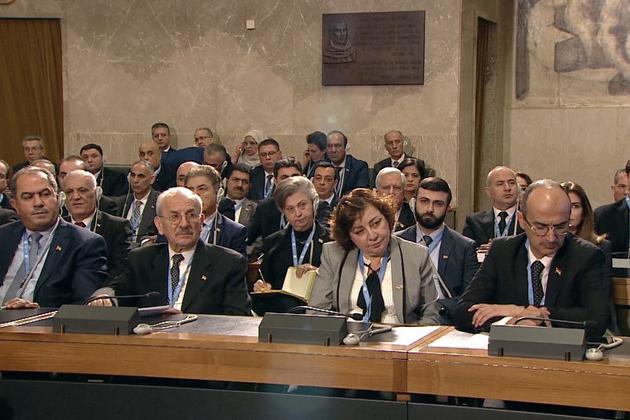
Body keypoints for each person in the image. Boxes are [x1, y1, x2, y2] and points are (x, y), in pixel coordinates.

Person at [454, 180, 610, 338]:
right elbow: (464, 311)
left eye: (560, 227)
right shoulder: (502, 251)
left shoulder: (586, 256)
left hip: (562, 347)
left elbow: (596, 320)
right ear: (522, 220)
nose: (551, 237)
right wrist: (512, 318)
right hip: (508, 347)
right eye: (540, 227)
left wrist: (528, 314)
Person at [309, 189, 440, 324]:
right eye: (359, 231)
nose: (372, 236)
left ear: (388, 219)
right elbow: (316, 313)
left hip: (400, 335)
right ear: (348, 236)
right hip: (349, 335)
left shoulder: (416, 256)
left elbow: (431, 316)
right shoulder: (334, 255)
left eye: (376, 223)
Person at [114, 187, 251, 315]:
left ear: (201, 221)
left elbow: (237, 319)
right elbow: (118, 298)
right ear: (159, 225)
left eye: (191, 215)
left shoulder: (228, 263)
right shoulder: (140, 260)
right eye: (175, 217)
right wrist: (108, 298)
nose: (184, 224)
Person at [0, 167, 107, 308]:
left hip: (41, 320)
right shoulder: (3, 236)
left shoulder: (85, 243)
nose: (38, 203)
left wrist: (38, 313)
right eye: (28, 197)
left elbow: (83, 306)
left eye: (45, 194)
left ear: (57, 198)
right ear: (15, 205)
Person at [397, 177, 479, 324]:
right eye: (424, 201)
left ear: (448, 208)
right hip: (402, 319)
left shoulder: (465, 247)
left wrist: (435, 308)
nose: (430, 209)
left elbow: (470, 298)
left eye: (438, 204)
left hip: (444, 320)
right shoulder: (396, 242)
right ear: (414, 203)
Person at [255, 177, 329, 295]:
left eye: (302, 205)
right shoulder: (273, 243)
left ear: (314, 203)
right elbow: (264, 280)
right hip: (281, 305)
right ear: (283, 211)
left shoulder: (331, 241)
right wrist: (260, 286)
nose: (298, 213)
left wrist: (320, 274)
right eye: (290, 209)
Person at [561, 181, 617, 332]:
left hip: (589, 323)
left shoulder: (600, 248)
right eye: (565, 206)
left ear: (584, 211)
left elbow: (601, 300)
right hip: (554, 323)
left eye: (575, 206)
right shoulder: (547, 246)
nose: (570, 212)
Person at [62, 170, 132, 286]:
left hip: (99, 290)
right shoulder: (57, 226)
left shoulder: (116, 227)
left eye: (82, 190)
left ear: (96, 193)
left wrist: (103, 291)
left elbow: (120, 270)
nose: (76, 197)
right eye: (69, 192)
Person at [185, 165, 247, 256]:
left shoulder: (234, 232)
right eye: (190, 190)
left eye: (202, 189)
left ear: (218, 192)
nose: (195, 194)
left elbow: (236, 264)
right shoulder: (172, 227)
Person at [247, 159, 303, 250]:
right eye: (284, 178)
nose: (291, 182)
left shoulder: (314, 205)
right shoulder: (265, 207)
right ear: (276, 182)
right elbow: (248, 238)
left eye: (295, 176)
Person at [462, 166, 522, 249]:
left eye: (511, 183)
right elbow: (466, 252)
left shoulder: (527, 219)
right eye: (500, 184)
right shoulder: (474, 222)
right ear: (488, 191)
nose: (507, 188)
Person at [115, 160, 159, 246]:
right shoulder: (120, 202)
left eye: (141, 176)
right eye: (132, 175)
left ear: (152, 179)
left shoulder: (160, 202)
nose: (135, 180)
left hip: (146, 249)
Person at [326, 130, 369, 196]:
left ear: (345, 147)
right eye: (329, 146)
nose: (333, 150)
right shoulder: (320, 166)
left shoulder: (359, 167)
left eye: (337, 146)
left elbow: (360, 194)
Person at [375, 167, 414, 231]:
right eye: (386, 188)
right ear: (377, 193)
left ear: (403, 192)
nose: (391, 192)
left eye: (396, 188)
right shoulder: (368, 215)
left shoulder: (413, 216)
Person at [311, 161, 338, 231]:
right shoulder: (307, 205)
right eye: (318, 178)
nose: (322, 182)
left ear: (335, 183)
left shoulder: (341, 207)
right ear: (313, 181)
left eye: (328, 179)